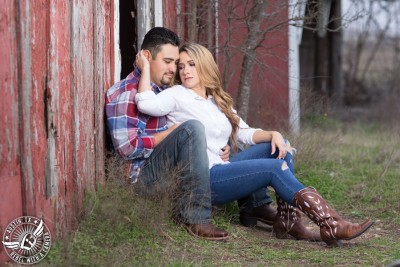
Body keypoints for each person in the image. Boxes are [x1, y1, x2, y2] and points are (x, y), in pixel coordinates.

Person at [134, 42, 374, 246]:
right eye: (181, 66)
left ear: (204, 64)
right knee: (272, 169)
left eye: (191, 64)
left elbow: (245, 132)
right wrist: (145, 67)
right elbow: (145, 103)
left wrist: (273, 134)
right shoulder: (177, 94)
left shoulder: (215, 101)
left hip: (222, 168)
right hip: (205, 179)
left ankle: (277, 216)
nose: (185, 70)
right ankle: (330, 223)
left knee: (280, 148)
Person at [106, 27, 274, 241]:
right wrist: (174, 132)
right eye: (168, 62)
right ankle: (195, 217)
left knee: (208, 133)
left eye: (176, 64)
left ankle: (255, 205)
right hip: (142, 181)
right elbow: (128, 148)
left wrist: (215, 147)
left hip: (169, 170)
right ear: (146, 58)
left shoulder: (161, 90)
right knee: (191, 127)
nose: (174, 69)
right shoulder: (126, 93)